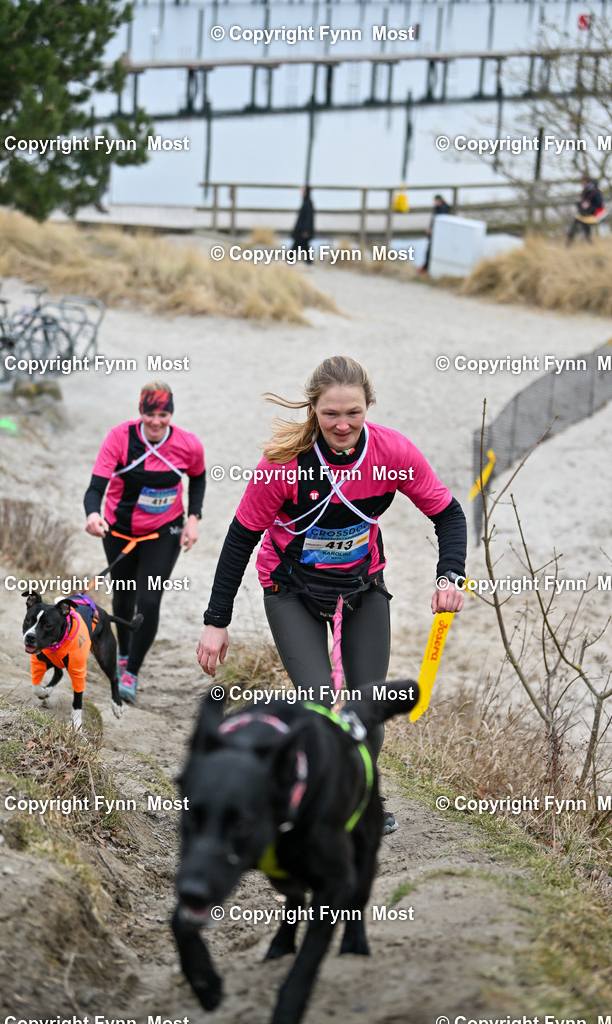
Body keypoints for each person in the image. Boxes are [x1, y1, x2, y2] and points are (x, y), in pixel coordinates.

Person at [196, 356, 466, 834]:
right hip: (291, 591)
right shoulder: (283, 465)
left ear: (369, 407)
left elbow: (448, 514)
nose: (343, 425)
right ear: (313, 410)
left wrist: (450, 576)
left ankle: (359, 801)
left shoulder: (393, 453)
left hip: (362, 588)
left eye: (353, 413)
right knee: (321, 704)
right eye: (331, 414)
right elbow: (240, 540)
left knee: (368, 711)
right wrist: (217, 621)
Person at [84, 381, 205, 704]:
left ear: (171, 414)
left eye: (163, 414)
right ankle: (123, 654)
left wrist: (194, 517)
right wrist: (93, 514)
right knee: (123, 598)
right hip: (120, 530)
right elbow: (95, 487)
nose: (156, 421)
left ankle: (131, 673)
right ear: (141, 411)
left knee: (149, 600)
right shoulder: (119, 438)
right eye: (150, 414)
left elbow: (198, 477)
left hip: (163, 532)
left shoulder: (188, 444)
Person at [567, 175, 605, 244]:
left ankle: (591, 247)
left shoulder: (595, 192)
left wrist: (589, 207)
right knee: (572, 231)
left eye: (582, 182)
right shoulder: (585, 191)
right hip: (581, 214)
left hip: (589, 216)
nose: (581, 184)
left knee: (587, 235)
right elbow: (582, 202)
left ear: (586, 182)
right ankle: (568, 246)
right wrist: (579, 203)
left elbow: (600, 205)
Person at [419, 194, 451, 275]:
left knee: (430, 252)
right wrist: (430, 228)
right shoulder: (437, 209)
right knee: (429, 252)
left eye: (437, 201)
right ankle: (425, 268)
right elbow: (433, 221)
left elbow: (442, 223)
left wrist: (433, 229)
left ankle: (426, 269)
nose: (435, 202)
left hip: (439, 235)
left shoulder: (443, 209)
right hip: (434, 234)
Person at [291, 186, 314, 263]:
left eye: (303, 191)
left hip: (303, 231)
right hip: (302, 230)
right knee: (303, 247)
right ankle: (308, 261)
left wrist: (306, 230)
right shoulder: (306, 202)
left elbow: (308, 219)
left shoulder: (308, 203)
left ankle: (290, 260)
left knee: (298, 246)